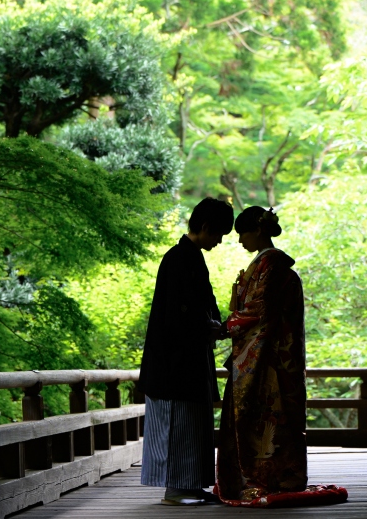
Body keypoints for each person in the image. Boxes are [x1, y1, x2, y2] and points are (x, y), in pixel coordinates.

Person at [137, 197, 234, 505]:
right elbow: (178, 315)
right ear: (205, 227)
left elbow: (201, 305)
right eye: (218, 235)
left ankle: (190, 485)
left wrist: (214, 323)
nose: (219, 242)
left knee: (192, 423)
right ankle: (176, 489)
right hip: (174, 361)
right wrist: (209, 326)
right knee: (179, 423)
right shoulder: (179, 258)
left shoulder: (189, 257)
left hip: (188, 357)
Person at [216, 206, 309, 504]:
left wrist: (226, 326)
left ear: (257, 231)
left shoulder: (270, 265)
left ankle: (262, 480)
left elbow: (260, 311)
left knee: (263, 415)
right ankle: (261, 478)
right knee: (267, 416)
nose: (240, 240)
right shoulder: (266, 264)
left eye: (242, 233)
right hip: (264, 353)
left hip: (267, 357)